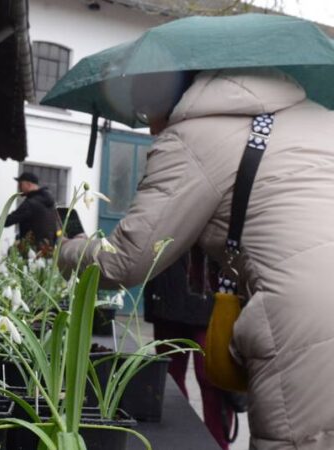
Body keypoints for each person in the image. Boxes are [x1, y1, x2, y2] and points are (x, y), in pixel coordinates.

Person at [58, 67, 334, 449]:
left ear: (165, 101)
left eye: (145, 115)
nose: (151, 130)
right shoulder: (319, 117)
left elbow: (124, 260)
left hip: (308, 315)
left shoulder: (193, 137)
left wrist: (67, 249)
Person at [144, 248, 233, 449]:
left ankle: (216, 446)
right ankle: (176, 444)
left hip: (214, 292)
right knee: (170, 383)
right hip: (168, 291)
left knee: (213, 380)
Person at [0, 172, 58, 249]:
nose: (19, 188)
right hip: (48, 249)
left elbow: (8, 220)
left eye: (21, 184)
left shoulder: (32, 203)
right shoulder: (49, 201)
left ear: (29, 184)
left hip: (32, 251)